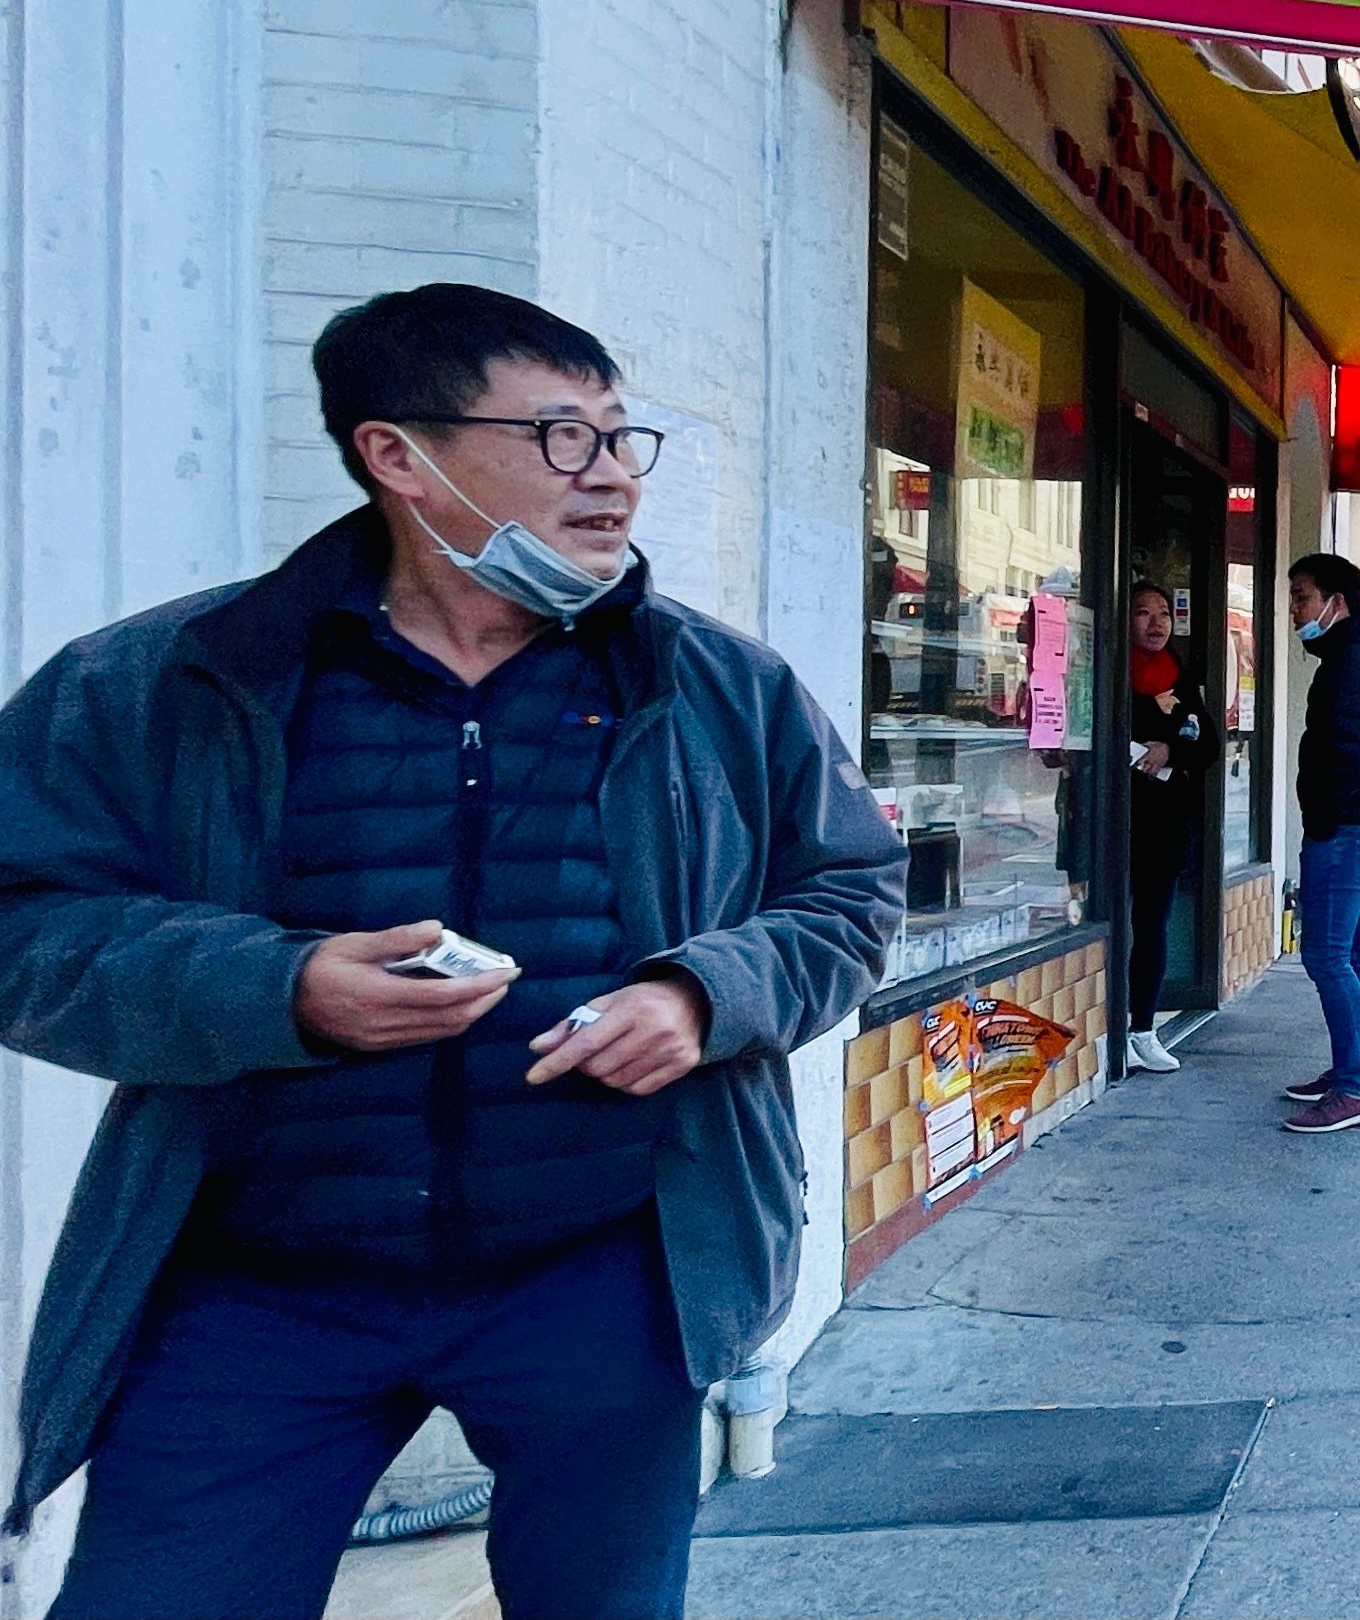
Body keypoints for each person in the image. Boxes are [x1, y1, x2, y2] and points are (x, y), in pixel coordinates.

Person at [0, 283, 900, 1619]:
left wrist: (703, 992)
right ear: (397, 455)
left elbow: (848, 891)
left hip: (606, 1270)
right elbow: (27, 922)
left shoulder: (717, 684)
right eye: (557, 436)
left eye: (617, 436)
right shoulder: (172, 679)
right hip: (257, 1286)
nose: (610, 479)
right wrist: (280, 986)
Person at [1284, 552, 1360, 1133]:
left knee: (1327, 956)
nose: (1294, 610)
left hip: (1347, 830)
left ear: (1338, 602)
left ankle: (1356, 1086)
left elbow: (1348, 756)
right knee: (1357, 953)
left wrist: (1324, 822)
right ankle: (1358, 1070)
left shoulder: (1350, 663)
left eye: (1302, 597)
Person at [1122, 580, 1208, 1074]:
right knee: (1101, 919)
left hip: (1163, 822)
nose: (1155, 623)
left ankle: (1143, 1030)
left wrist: (1169, 750)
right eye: (1142, 613)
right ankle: (1108, 1022)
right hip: (1109, 817)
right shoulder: (1105, 669)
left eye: (1163, 614)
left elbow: (1209, 746)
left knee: (1151, 926)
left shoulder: (1181, 679)